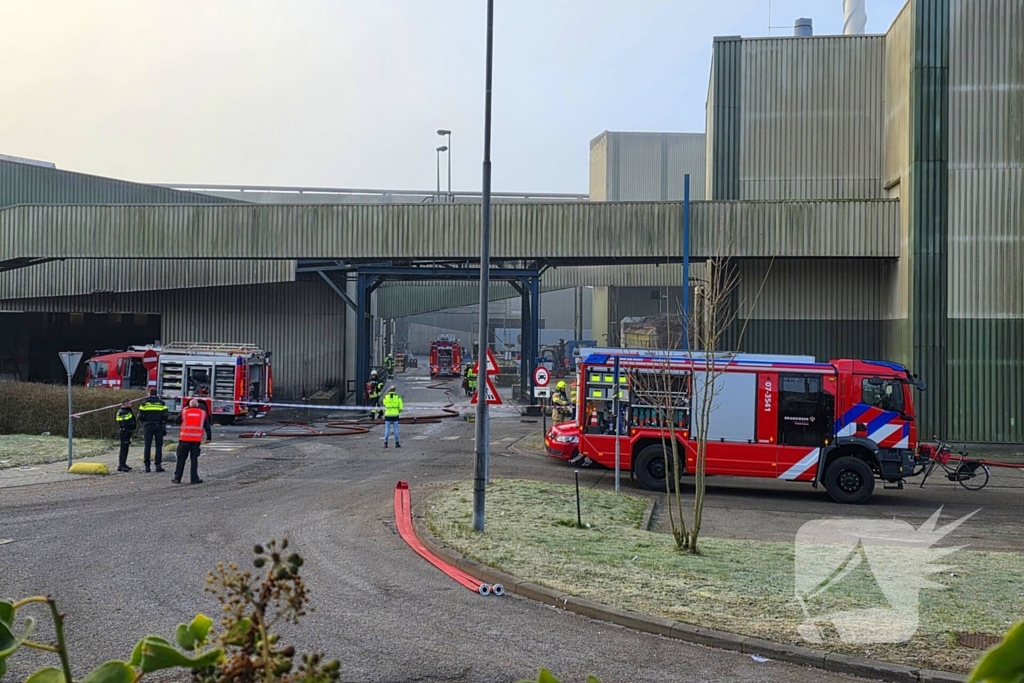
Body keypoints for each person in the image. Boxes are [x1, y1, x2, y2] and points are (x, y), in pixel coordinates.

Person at [172, 399, 210, 484]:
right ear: (197, 405)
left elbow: (176, 421)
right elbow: (207, 426)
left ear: (189, 405)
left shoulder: (184, 412)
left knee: (181, 459)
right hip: (196, 440)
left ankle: (177, 478)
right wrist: (209, 437)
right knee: (194, 459)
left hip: (184, 439)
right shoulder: (202, 413)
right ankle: (194, 478)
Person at [137, 388, 169, 472]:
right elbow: (166, 414)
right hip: (158, 426)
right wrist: (161, 420)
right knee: (158, 446)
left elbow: (140, 416)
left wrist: (145, 421)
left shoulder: (144, 403)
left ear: (149, 393)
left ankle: (147, 467)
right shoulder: (161, 402)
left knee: (147, 446)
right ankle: (158, 465)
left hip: (148, 426)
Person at [115, 399, 136, 472]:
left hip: (127, 432)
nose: (131, 404)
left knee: (126, 448)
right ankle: (121, 465)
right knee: (123, 449)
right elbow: (125, 422)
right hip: (124, 432)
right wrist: (131, 426)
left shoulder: (127, 410)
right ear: (125, 404)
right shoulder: (123, 412)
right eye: (129, 403)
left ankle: (123, 464)